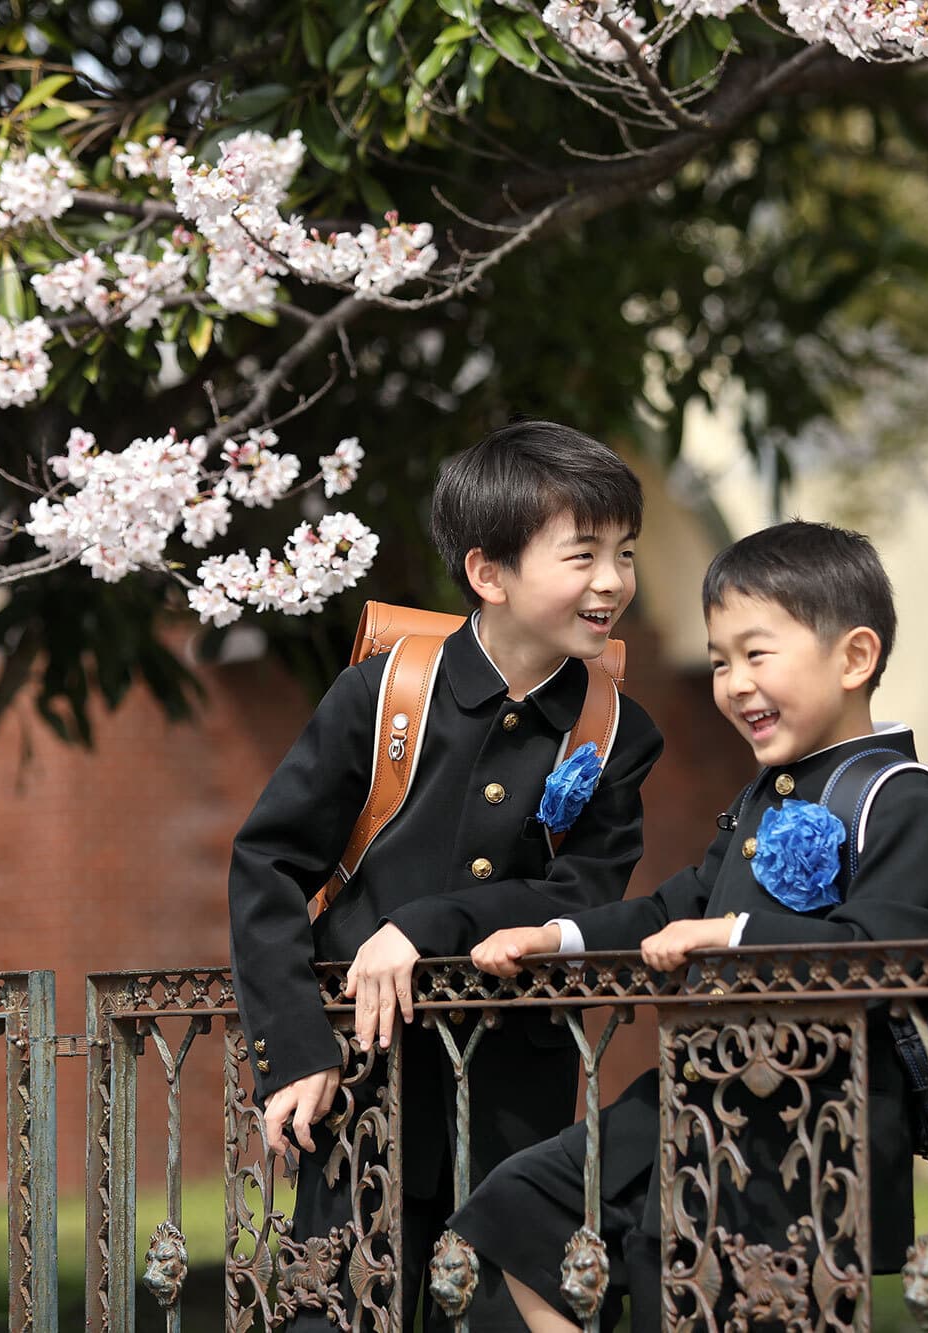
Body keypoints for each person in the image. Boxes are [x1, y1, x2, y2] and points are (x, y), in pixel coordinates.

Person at [456, 520, 928, 1333]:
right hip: (695, 1100)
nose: (733, 683)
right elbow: (674, 909)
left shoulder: (901, 798)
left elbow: (890, 957)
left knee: (702, 1295)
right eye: (722, 660)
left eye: (757, 654)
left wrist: (730, 939)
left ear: (854, 658)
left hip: (803, 1133)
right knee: (521, 1209)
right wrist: (560, 936)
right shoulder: (765, 796)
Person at [228, 420, 667, 1331]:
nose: (613, 581)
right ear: (489, 572)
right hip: (360, 1094)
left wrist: (428, 924)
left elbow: (581, 895)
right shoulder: (383, 693)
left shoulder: (620, 731)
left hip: (517, 1105)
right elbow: (268, 862)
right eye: (582, 554)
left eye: (624, 553)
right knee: (341, 1310)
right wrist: (295, 1051)